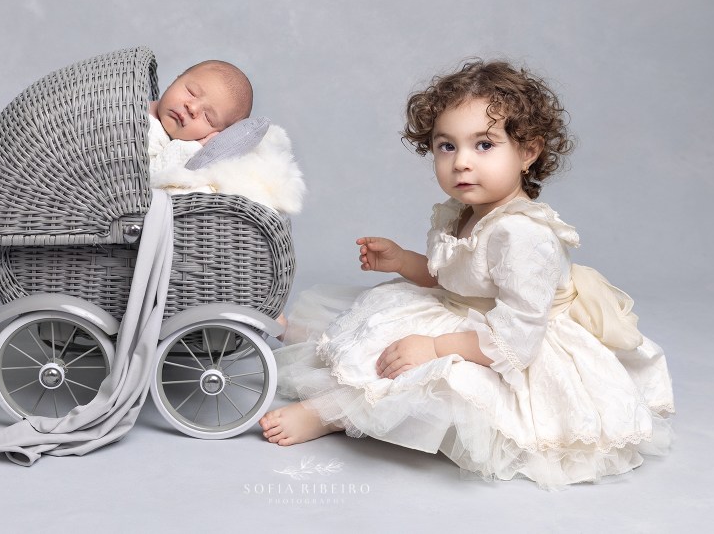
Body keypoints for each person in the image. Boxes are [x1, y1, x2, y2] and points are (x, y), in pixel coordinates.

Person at [261, 59, 674, 488]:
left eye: (484, 145)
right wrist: (404, 262)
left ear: (528, 152)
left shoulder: (522, 234)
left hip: (509, 343)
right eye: (447, 146)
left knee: (436, 376)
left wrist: (436, 346)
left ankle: (331, 412)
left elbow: (517, 339)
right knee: (372, 332)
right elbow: (455, 279)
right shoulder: (462, 213)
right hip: (464, 316)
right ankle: (310, 353)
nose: (461, 163)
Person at [147, 60, 253, 180]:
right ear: (174, 81)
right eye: (192, 92)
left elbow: (148, 178)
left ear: (214, 135)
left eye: (208, 117)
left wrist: (196, 146)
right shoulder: (134, 106)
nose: (192, 108)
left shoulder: (182, 156)